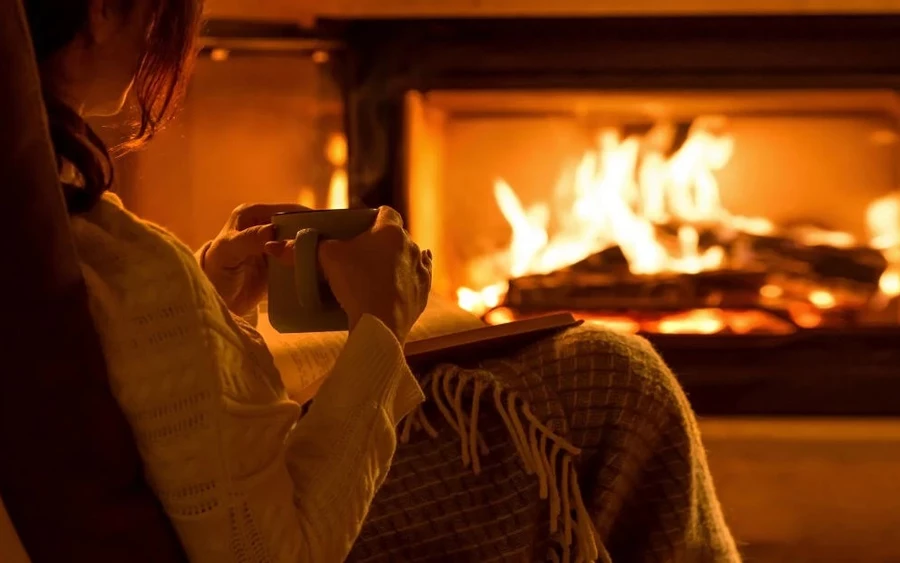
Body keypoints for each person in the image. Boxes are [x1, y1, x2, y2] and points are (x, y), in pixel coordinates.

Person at [16, 0, 741, 561]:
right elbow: (272, 550)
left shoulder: (48, 220)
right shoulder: (122, 258)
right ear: (106, 7)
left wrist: (210, 301)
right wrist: (381, 328)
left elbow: (126, 373)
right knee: (616, 381)